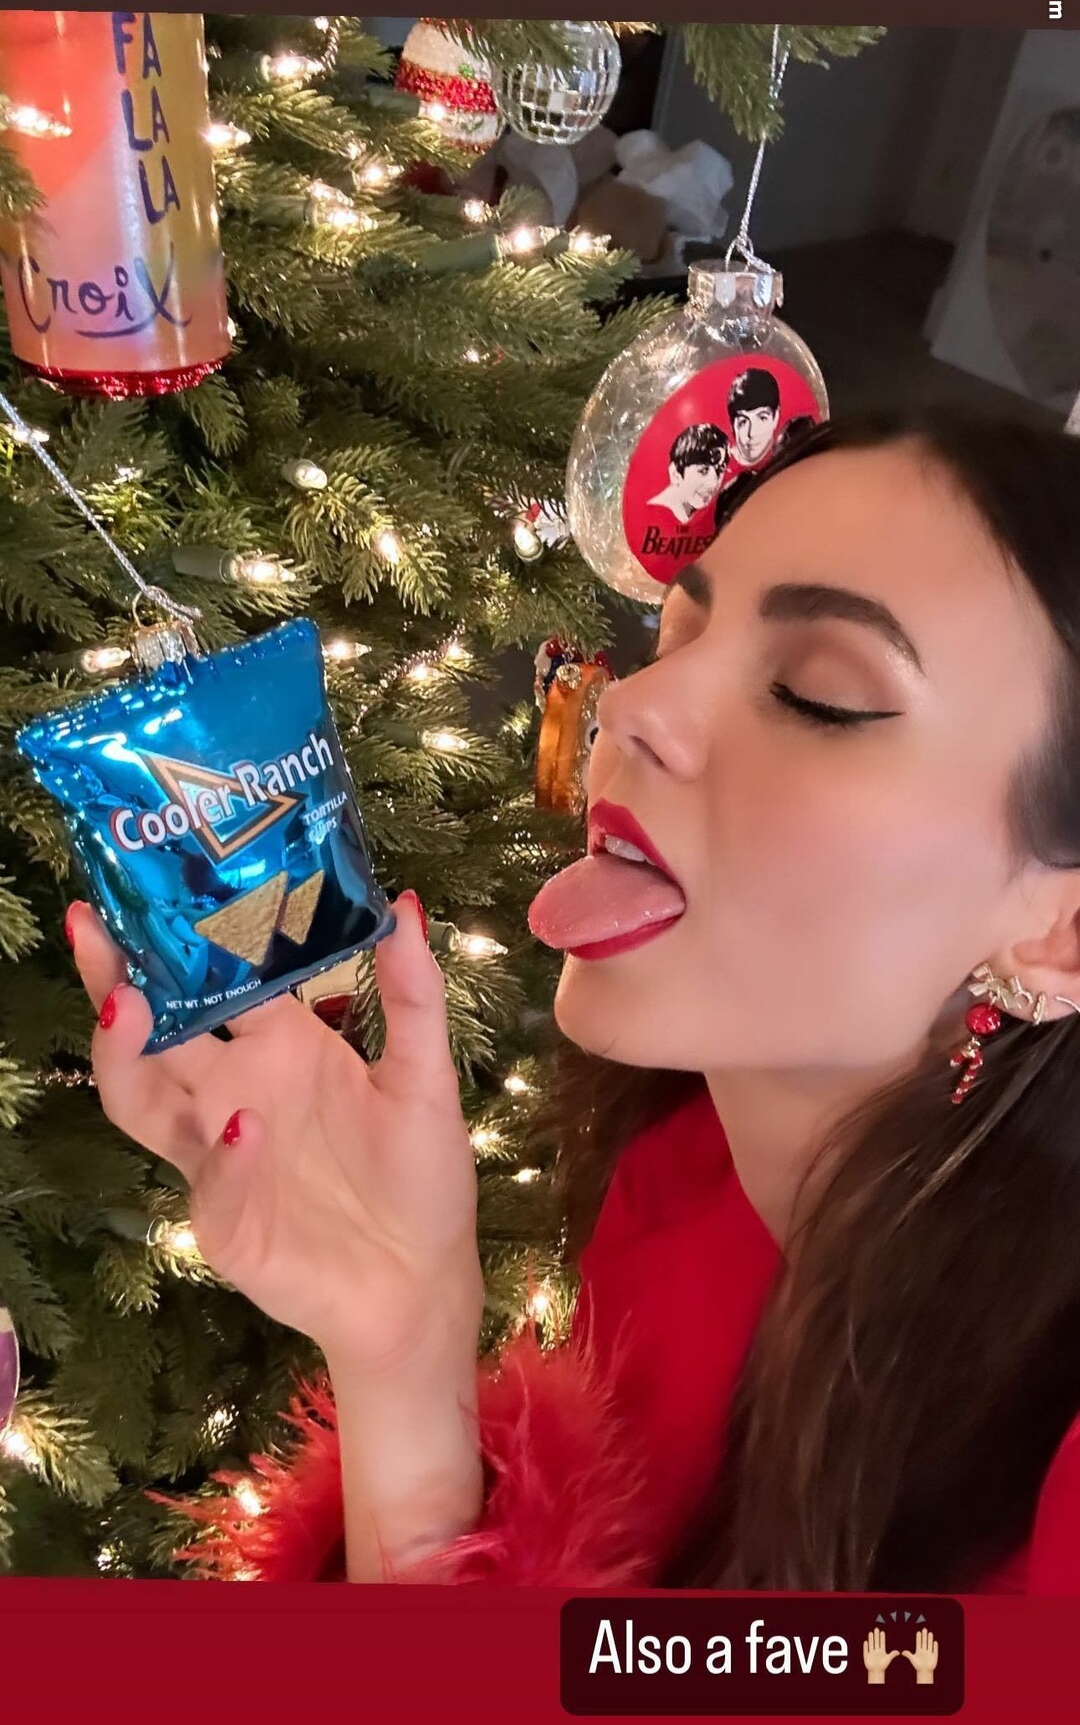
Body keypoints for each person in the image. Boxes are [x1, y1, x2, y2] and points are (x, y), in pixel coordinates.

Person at [66, 406, 1080, 1592]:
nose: (630, 705)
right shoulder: (685, 1186)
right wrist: (401, 1343)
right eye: (678, 632)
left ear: (1062, 931)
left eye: (816, 692)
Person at [647, 422, 729, 523]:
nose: (713, 483)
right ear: (676, 475)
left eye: (719, 471)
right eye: (703, 471)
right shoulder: (654, 517)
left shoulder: (688, 513)